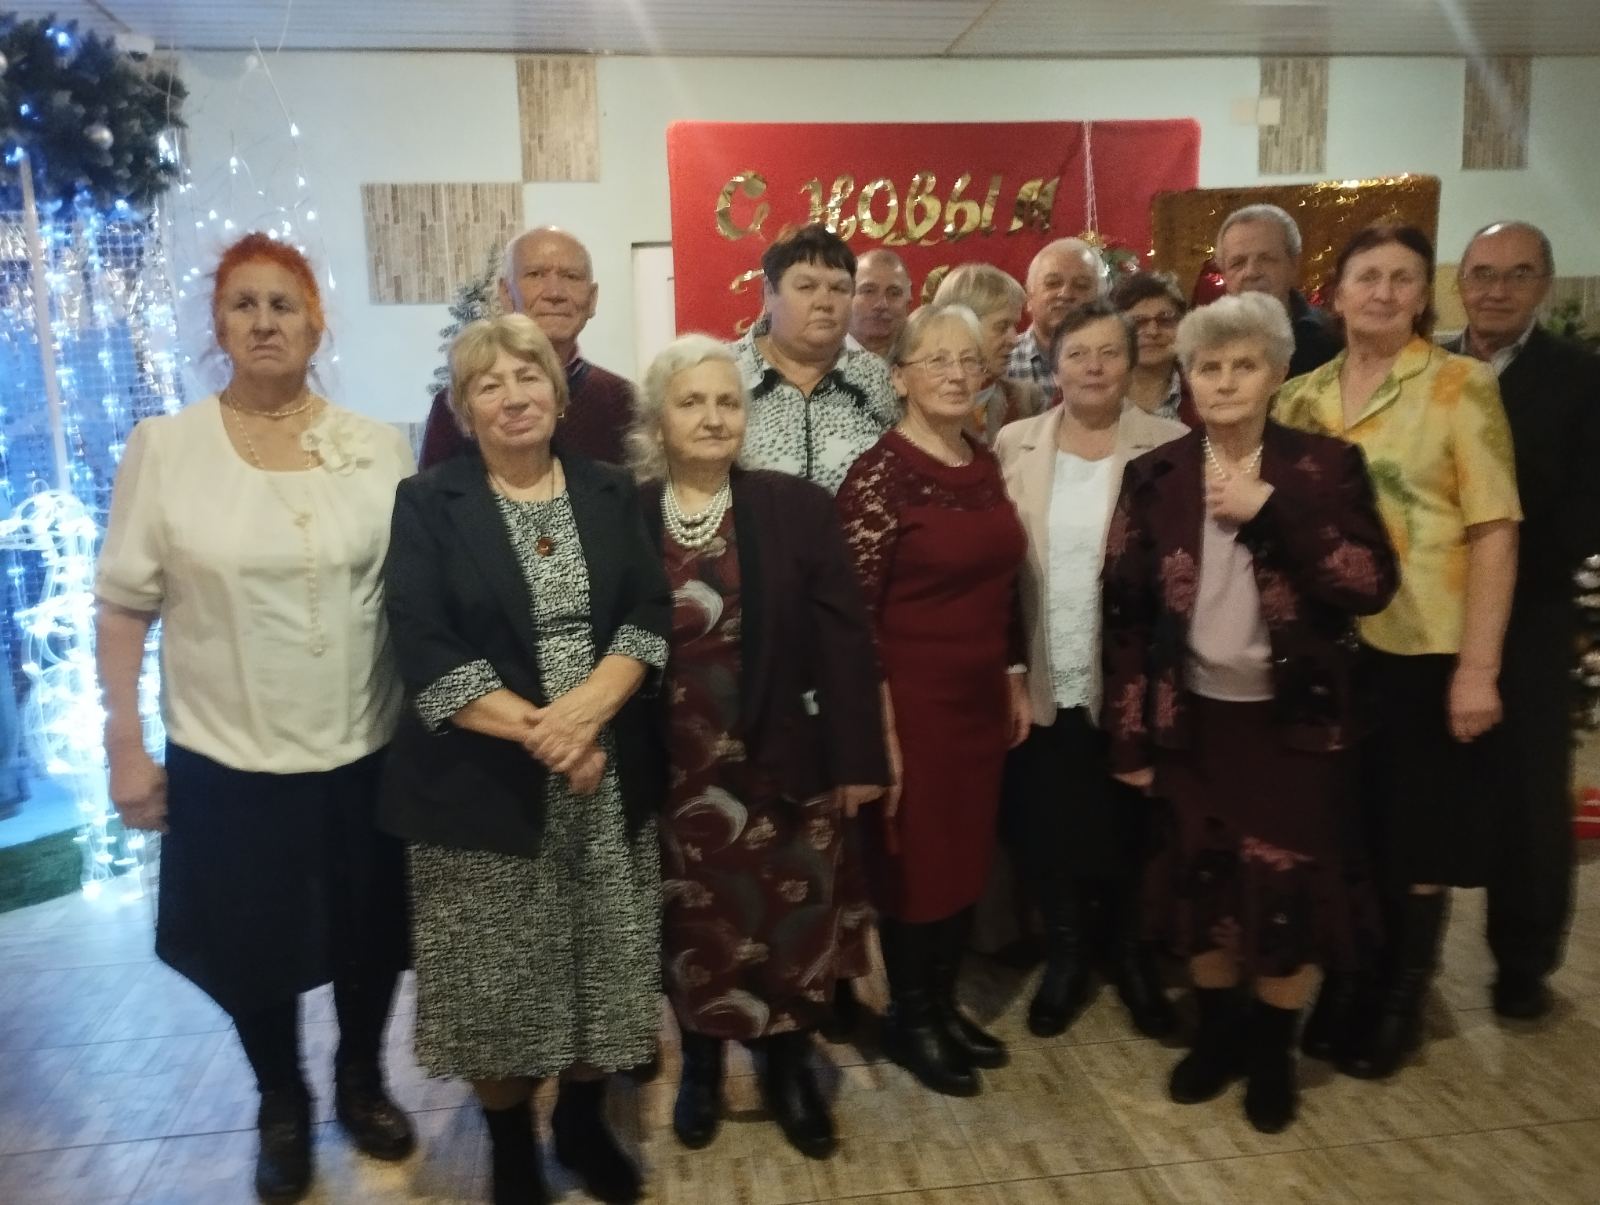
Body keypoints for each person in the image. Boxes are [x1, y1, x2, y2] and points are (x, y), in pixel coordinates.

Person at [95, 233, 417, 1203]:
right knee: (251, 942)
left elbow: (416, 591)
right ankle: (281, 1097)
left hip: (365, 741)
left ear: (317, 324)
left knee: (369, 931)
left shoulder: (378, 446)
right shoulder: (167, 448)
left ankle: (360, 1077)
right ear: (219, 325)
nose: (265, 321)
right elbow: (124, 605)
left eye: (284, 304)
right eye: (244, 304)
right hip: (228, 752)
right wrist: (124, 743)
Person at [380, 314, 670, 1205]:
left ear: (558, 390)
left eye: (528, 375)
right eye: (488, 384)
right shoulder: (428, 501)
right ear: (463, 409)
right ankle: (510, 1148)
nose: (513, 396)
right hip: (482, 785)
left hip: (605, 778)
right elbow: (423, 642)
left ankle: (580, 1122)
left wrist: (588, 715)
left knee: (600, 964)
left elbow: (648, 614)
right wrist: (548, 734)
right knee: (496, 982)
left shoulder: (611, 489)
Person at [1102, 293, 1399, 1133]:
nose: (1225, 380)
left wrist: (1271, 511)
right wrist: (1128, 738)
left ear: (1276, 373)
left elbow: (1369, 584)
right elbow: (1124, 614)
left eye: (1244, 364)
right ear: (1188, 378)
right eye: (1209, 366)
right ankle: (1218, 1035)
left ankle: (1272, 1052)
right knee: (1199, 883)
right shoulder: (1155, 475)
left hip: (1296, 728)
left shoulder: (1325, 467)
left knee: (1287, 895)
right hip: (1192, 724)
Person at [627, 334, 889, 1159]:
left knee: (790, 919)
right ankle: (702, 1067)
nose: (713, 417)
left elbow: (846, 640)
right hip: (675, 769)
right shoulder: (625, 513)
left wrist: (858, 760)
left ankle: (786, 1067)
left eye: (727, 401)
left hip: (782, 758)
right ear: (658, 421)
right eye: (691, 402)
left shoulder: (793, 506)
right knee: (692, 926)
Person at [1275, 224, 1521, 1080]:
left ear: (1423, 295)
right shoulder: (1299, 397)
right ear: (1336, 292)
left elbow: (1494, 530)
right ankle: (1349, 976)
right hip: (1325, 651)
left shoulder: (1460, 385)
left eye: (1402, 278)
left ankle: (1400, 995)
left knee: (1415, 834)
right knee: (1343, 827)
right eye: (1367, 276)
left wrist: (1479, 668)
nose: (1382, 292)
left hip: (1423, 644)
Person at [836, 304, 1030, 1097]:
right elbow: (852, 614)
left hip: (978, 700)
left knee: (962, 860)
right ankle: (910, 1017)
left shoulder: (981, 461)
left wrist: (1013, 673)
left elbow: (1004, 583)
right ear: (899, 377)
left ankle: (944, 1005)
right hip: (910, 704)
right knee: (913, 865)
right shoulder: (879, 473)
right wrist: (877, 725)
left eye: (969, 359)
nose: (955, 373)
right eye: (936, 359)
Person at [993, 300, 1187, 1043]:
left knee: (1133, 821)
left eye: (1110, 352)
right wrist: (1009, 665)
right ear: (1054, 363)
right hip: (1045, 664)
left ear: (1133, 362)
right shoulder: (1014, 444)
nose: (1095, 367)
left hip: (1134, 674)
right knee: (1049, 819)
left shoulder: (1171, 444)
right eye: (1078, 353)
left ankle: (1131, 954)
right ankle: (1068, 954)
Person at [1446, 220, 1600, 1019]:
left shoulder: (1580, 377)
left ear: (1543, 284)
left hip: (1531, 611)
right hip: (1433, 609)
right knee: (1428, 785)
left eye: (1516, 274)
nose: (1496, 290)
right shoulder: (1430, 366)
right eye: (1481, 273)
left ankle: (1522, 960)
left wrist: (1499, 554)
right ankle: (1411, 957)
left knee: (1530, 794)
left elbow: (1587, 506)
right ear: (1460, 283)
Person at [419, 226, 635, 468]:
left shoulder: (623, 400)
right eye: (536, 275)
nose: (555, 293)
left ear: (592, 298)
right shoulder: (460, 407)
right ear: (506, 294)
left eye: (571, 276)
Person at [732, 223, 899, 494]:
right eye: (806, 287)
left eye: (839, 288)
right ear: (769, 293)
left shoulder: (875, 376)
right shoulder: (725, 373)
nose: (825, 302)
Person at [1217, 203, 1342, 379]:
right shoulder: (1207, 341)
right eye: (1238, 263)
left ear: (1294, 265)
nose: (1251, 272)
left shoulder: (1331, 340)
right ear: (1224, 273)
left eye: (1266, 259)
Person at [933, 262, 1044, 443]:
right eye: (1002, 327)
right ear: (961, 327)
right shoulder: (915, 406)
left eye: (1014, 326)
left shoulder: (1028, 401)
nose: (1014, 340)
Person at [1007, 238, 1105, 407]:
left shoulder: (1115, 364)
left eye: (1081, 285)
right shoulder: (1003, 362)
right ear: (1029, 297)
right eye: (1053, 283)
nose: (1065, 294)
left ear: (1100, 298)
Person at [1111, 271, 1196, 426]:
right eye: (1137, 322)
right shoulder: (1094, 393)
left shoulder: (1203, 392)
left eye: (1165, 319)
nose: (1153, 331)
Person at [849, 247, 913, 360]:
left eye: (894, 293)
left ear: (908, 301)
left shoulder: (922, 359)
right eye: (869, 291)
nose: (881, 305)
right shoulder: (822, 360)